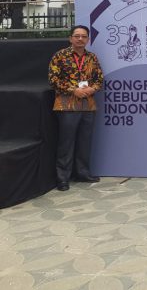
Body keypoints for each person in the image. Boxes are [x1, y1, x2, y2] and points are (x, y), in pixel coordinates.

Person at [48, 25, 104, 191]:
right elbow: (53, 80)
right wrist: (74, 90)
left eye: (84, 36)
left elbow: (99, 79)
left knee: (84, 142)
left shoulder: (92, 58)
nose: (80, 39)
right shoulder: (60, 56)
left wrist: (92, 89)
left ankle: (82, 173)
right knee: (66, 143)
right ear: (70, 38)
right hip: (67, 105)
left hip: (88, 105)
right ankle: (63, 178)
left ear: (88, 39)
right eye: (77, 36)